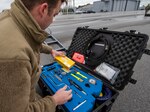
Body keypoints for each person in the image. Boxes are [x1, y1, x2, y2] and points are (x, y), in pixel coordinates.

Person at [0, 0, 72, 112]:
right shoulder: (16, 58)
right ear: (43, 9)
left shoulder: (10, 17)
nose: (54, 20)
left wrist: (51, 50)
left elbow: (27, 40)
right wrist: (54, 100)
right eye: (54, 14)